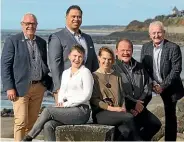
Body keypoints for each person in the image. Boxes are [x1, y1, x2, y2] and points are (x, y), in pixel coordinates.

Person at [22, 45, 94, 141]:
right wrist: (60, 102)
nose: (77, 59)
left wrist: (67, 103)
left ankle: (29, 137)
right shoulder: (65, 73)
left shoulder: (85, 72)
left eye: (80, 57)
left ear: (83, 58)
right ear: (69, 56)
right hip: (67, 110)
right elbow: (62, 90)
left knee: (48, 110)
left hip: (81, 111)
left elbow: (87, 95)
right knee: (48, 125)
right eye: (75, 56)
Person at [1, 13, 51, 141]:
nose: (30, 26)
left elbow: (43, 64)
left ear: (36, 25)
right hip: (20, 88)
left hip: (38, 87)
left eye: (33, 24)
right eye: (27, 24)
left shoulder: (41, 42)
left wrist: (47, 84)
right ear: (22, 25)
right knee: (21, 121)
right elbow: (5, 65)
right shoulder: (13, 41)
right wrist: (9, 87)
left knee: (32, 123)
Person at [141, 21, 184, 141]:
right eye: (153, 33)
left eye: (159, 32)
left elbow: (176, 70)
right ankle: (141, 137)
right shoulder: (145, 47)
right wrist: (153, 83)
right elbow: (144, 68)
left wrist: (163, 86)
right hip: (152, 84)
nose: (156, 35)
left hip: (170, 86)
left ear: (164, 33)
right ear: (149, 34)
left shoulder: (173, 48)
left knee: (170, 115)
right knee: (139, 107)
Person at [113, 39, 161, 141]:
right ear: (116, 51)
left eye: (128, 50)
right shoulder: (112, 68)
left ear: (132, 51)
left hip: (139, 108)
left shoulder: (139, 66)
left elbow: (147, 87)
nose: (125, 53)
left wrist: (140, 106)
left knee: (155, 124)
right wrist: (133, 105)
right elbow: (117, 92)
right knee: (133, 136)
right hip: (123, 110)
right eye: (122, 50)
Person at [48, 5, 98, 102]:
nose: (76, 19)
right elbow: (54, 65)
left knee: (85, 115)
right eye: (73, 16)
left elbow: (94, 62)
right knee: (66, 116)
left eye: (79, 17)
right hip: (66, 88)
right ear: (66, 17)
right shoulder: (57, 37)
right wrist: (58, 88)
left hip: (87, 88)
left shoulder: (87, 38)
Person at [90, 46, 142, 141]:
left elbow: (122, 95)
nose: (107, 62)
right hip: (101, 113)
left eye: (109, 59)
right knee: (129, 118)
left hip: (118, 112)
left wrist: (123, 108)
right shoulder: (93, 76)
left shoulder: (117, 75)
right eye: (104, 58)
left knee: (126, 132)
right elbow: (94, 100)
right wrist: (113, 109)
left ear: (113, 60)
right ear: (99, 58)